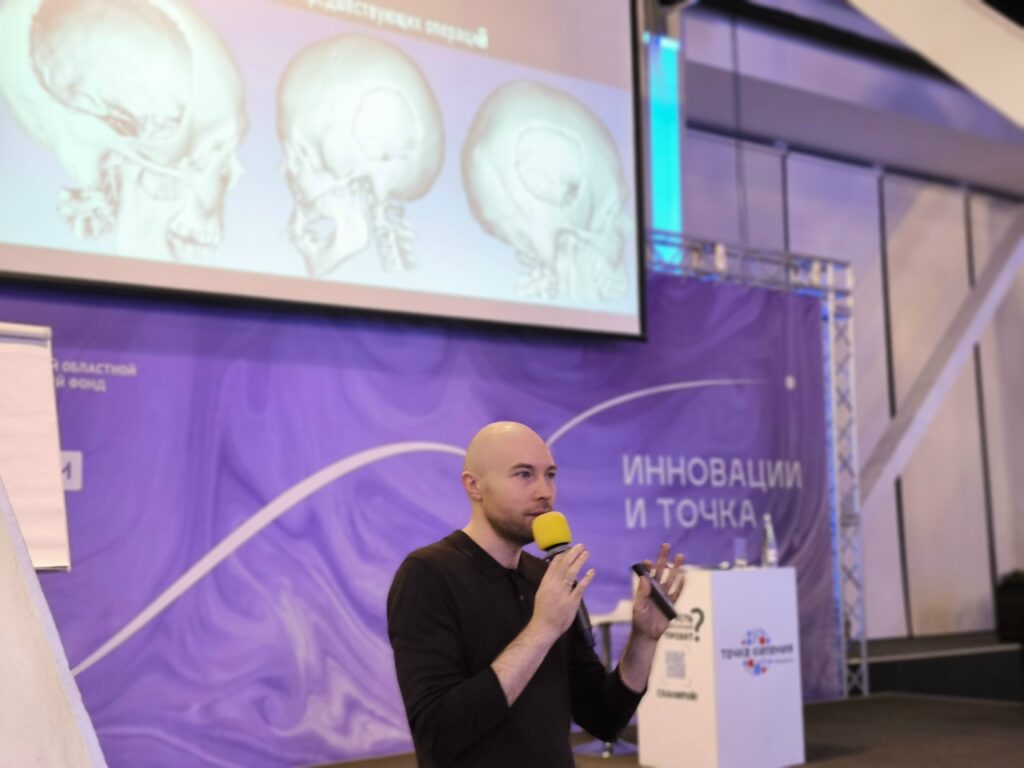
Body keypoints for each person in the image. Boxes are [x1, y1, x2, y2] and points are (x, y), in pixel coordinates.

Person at [387, 421, 685, 767]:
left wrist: (644, 640)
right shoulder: (427, 574)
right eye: (524, 474)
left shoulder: (548, 577)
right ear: (474, 485)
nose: (545, 491)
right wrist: (542, 629)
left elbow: (603, 718)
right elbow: (438, 733)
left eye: (550, 475)